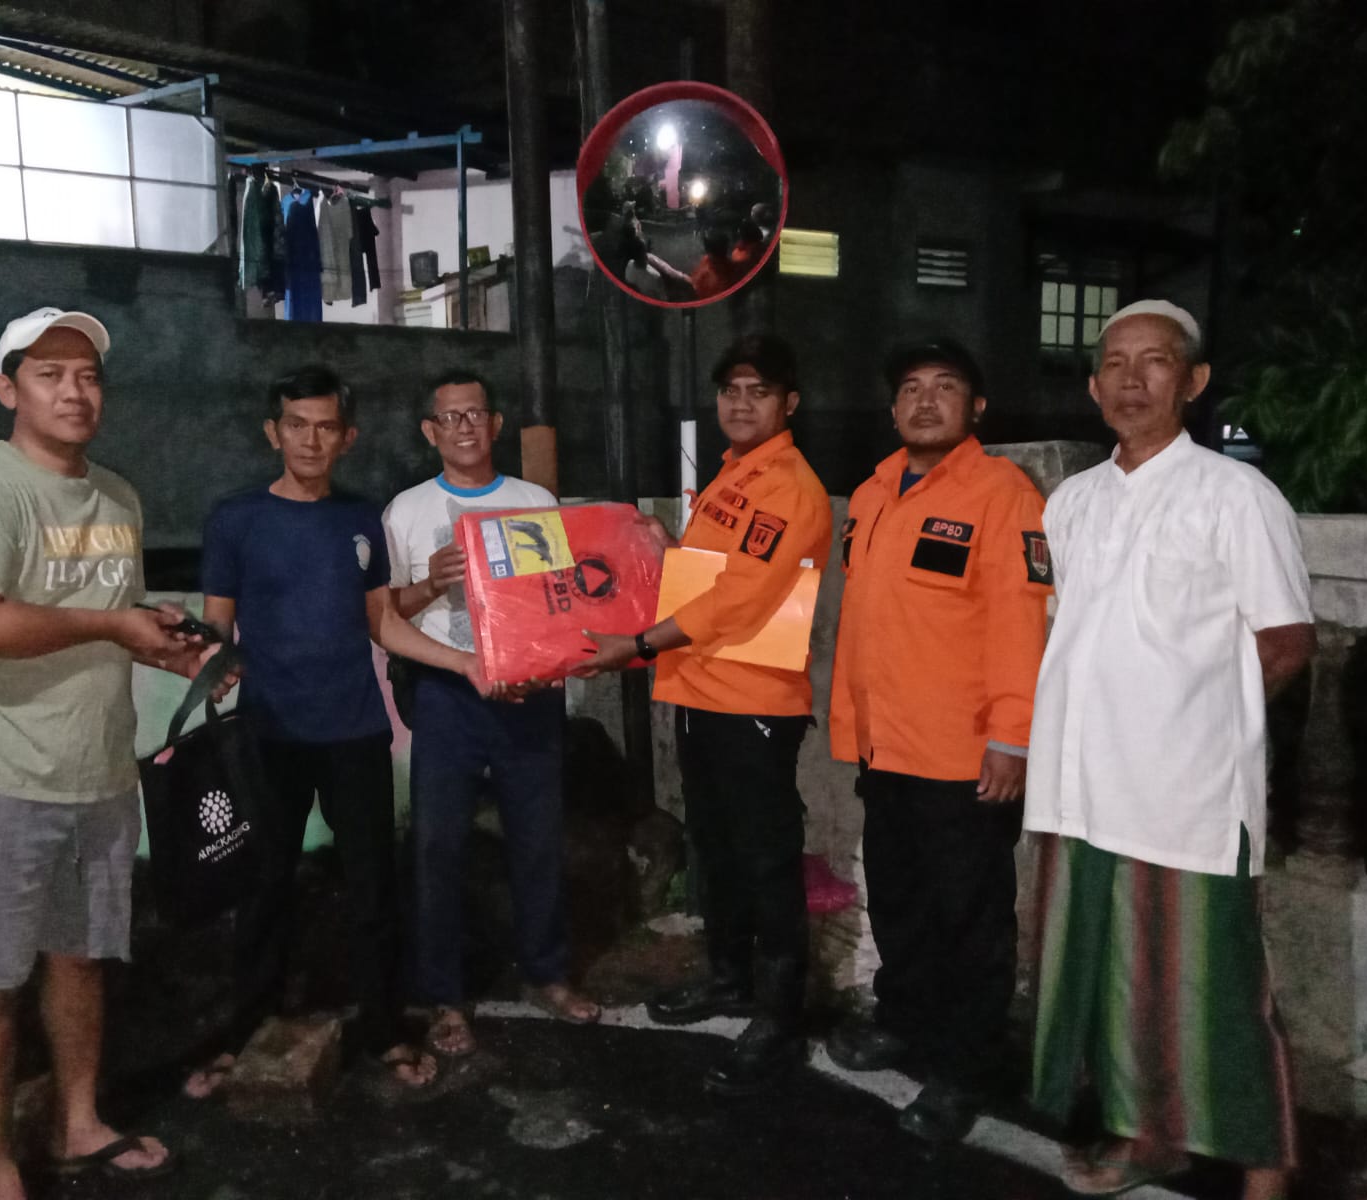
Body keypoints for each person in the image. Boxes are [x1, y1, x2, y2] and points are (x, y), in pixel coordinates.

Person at [0, 307, 225, 1200]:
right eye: (49, 374)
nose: (74, 392)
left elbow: (103, 618)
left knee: (80, 960)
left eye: (88, 375)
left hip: (99, 773)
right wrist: (111, 625)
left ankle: (78, 1122)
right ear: (5, 388)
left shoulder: (116, 497)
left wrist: (161, 645)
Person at [1025, 300, 1315, 1200]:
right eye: (1115, 363)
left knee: (1214, 987)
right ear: (1092, 385)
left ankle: (1264, 1169)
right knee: (1115, 980)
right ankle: (1147, 1139)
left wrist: (1197, 730)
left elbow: (1285, 642)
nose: (1132, 379)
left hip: (1186, 796)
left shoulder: (1237, 496)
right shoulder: (1071, 503)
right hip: (1081, 789)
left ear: (1192, 381)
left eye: (1155, 362)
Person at [189, 365, 494, 1096]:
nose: (311, 439)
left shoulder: (361, 520)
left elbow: (382, 622)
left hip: (355, 731)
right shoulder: (235, 520)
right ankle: (247, 1030)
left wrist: (463, 661)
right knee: (263, 888)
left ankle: (384, 1030)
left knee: (372, 888)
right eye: (296, 425)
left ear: (347, 437)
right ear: (273, 432)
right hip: (268, 733)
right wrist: (208, 661)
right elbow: (215, 629)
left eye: (326, 426)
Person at [576, 334, 832, 1095]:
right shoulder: (730, 476)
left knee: (765, 857)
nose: (742, 403)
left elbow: (740, 598)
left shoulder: (790, 486)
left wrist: (637, 645)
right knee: (716, 849)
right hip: (697, 692)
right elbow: (707, 574)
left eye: (760, 390)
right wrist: (668, 547)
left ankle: (780, 1017)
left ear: (790, 403)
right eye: (731, 391)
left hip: (752, 703)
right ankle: (729, 979)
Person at [824, 339, 1052, 1141]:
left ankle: (965, 1067)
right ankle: (905, 1022)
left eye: (945, 387)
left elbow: (1021, 626)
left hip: (964, 759)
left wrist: (1011, 740)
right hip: (887, 749)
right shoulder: (871, 493)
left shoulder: (1003, 494)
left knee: (970, 923)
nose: (925, 401)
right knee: (901, 903)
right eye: (911, 389)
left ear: (976, 407)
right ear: (893, 410)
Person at [383, 370, 601, 1058]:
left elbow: (559, 598)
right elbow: (389, 612)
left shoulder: (534, 501)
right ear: (430, 431)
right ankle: (444, 998)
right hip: (448, 694)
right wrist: (432, 582)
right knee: (437, 845)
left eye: (476, 414)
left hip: (529, 693)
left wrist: (546, 664)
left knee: (538, 838)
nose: (465, 427)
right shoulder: (406, 511)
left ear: (496, 424)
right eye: (450, 417)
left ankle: (547, 973)